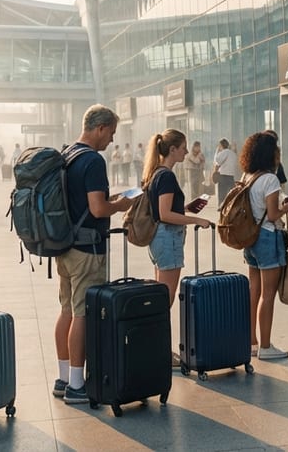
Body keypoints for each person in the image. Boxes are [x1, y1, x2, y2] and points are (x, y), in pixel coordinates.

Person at [57, 105, 134, 404]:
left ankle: (63, 378)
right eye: (111, 133)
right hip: (87, 249)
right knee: (82, 314)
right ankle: (77, 385)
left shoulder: (67, 154)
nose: (111, 140)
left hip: (63, 246)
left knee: (66, 310)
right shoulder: (92, 160)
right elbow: (98, 208)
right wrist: (120, 205)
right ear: (100, 128)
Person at [142, 129, 211, 367]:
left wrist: (187, 208)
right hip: (168, 238)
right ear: (172, 149)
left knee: (161, 295)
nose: (185, 151)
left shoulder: (155, 173)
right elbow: (165, 214)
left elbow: (166, 209)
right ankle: (161, 351)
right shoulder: (167, 176)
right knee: (166, 298)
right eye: (183, 147)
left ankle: (155, 347)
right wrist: (196, 220)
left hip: (158, 239)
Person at [241, 132, 288, 360]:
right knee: (268, 294)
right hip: (266, 236)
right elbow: (273, 214)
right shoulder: (270, 179)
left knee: (254, 292)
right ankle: (265, 345)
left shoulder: (248, 176)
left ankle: (252, 341)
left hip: (250, 237)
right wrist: (286, 207)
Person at [213, 138, 238, 203]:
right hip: (231, 176)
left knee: (222, 192)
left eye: (219, 145)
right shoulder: (232, 153)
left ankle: (221, 205)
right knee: (230, 192)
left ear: (221, 145)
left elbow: (217, 160)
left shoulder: (224, 152)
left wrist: (217, 151)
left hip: (223, 175)